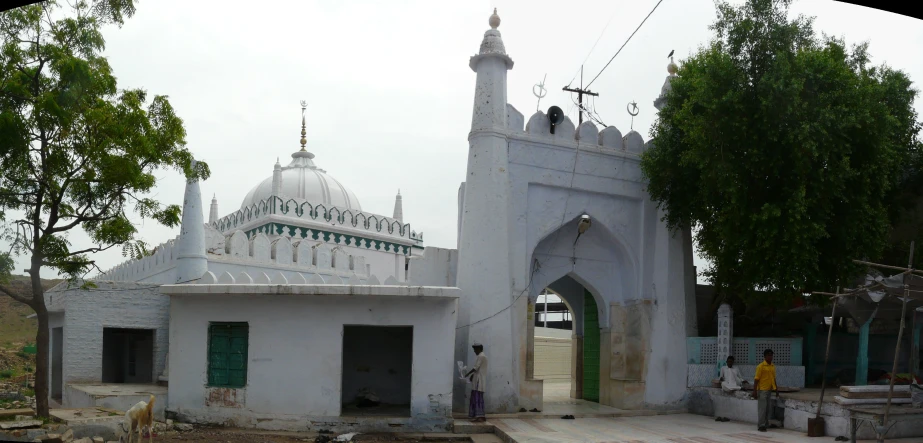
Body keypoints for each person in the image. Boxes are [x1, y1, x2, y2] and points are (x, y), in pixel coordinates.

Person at [752, 348, 778, 432]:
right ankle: (761, 425)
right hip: (762, 390)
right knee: (762, 409)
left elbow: (774, 379)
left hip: (769, 390)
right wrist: (755, 391)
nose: (770, 357)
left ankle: (766, 424)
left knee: (767, 408)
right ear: (765, 356)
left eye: (771, 355)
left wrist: (776, 389)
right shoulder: (760, 366)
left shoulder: (773, 366)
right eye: (768, 355)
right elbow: (756, 379)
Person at [465, 342, 488, 423]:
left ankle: (480, 416)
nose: (474, 351)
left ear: (478, 349)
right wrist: (472, 375)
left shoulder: (481, 356)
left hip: (479, 381)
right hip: (477, 379)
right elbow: (478, 369)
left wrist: (468, 373)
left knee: (477, 398)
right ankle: (478, 415)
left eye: (475, 349)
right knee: (476, 397)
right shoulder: (481, 356)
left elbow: (476, 367)